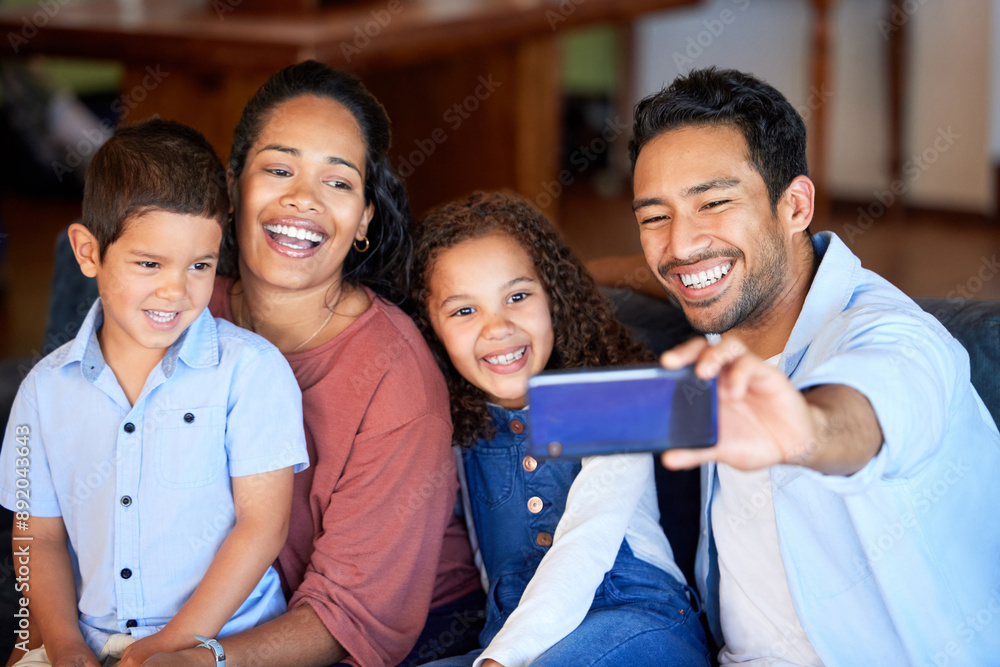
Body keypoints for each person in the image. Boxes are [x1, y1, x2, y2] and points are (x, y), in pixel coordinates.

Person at [629, 67, 1000, 664]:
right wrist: (585, 270)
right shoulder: (728, 314)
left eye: (714, 203)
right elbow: (674, 262)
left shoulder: (896, 338)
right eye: (654, 217)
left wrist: (806, 427)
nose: (680, 245)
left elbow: (877, 408)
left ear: (795, 205)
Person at [145, 61, 482, 667]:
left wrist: (202, 660)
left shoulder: (395, 379)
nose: (302, 198)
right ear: (232, 188)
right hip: (215, 614)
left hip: (395, 630)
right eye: (278, 169)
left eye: (338, 182)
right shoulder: (182, 311)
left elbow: (353, 617)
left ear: (364, 221)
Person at [0, 119, 309, 666]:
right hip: (86, 643)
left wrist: (167, 649)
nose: (176, 290)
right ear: (88, 251)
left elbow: (263, 526)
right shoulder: (42, 393)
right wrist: (63, 646)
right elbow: (37, 536)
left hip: (216, 644)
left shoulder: (252, 372)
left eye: (199, 266)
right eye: (149, 263)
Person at [409, 191, 710, 667]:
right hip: (510, 639)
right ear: (430, 327)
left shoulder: (605, 402)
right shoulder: (453, 428)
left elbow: (587, 542)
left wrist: (500, 659)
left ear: (555, 297)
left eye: (518, 296)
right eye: (464, 310)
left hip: (635, 619)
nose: (497, 327)